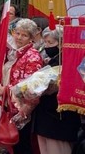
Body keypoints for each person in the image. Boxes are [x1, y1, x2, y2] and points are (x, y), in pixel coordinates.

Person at [0, 19, 44, 153]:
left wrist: (6, 89)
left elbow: (32, 86)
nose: (19, 37)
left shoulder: (33, 56)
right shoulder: (14, 53)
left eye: (24, 35)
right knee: (12, 142)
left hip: (23, 107)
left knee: (21, 143)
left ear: (31, 38)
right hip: (10, 104)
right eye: (17, 33)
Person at [33, 25, 81, 154]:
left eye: (50, 42)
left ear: (61, 43)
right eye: (46, 42)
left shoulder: (70, 61)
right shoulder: (51, 60)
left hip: (59, 119)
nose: (47, 46)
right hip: (45, 117)